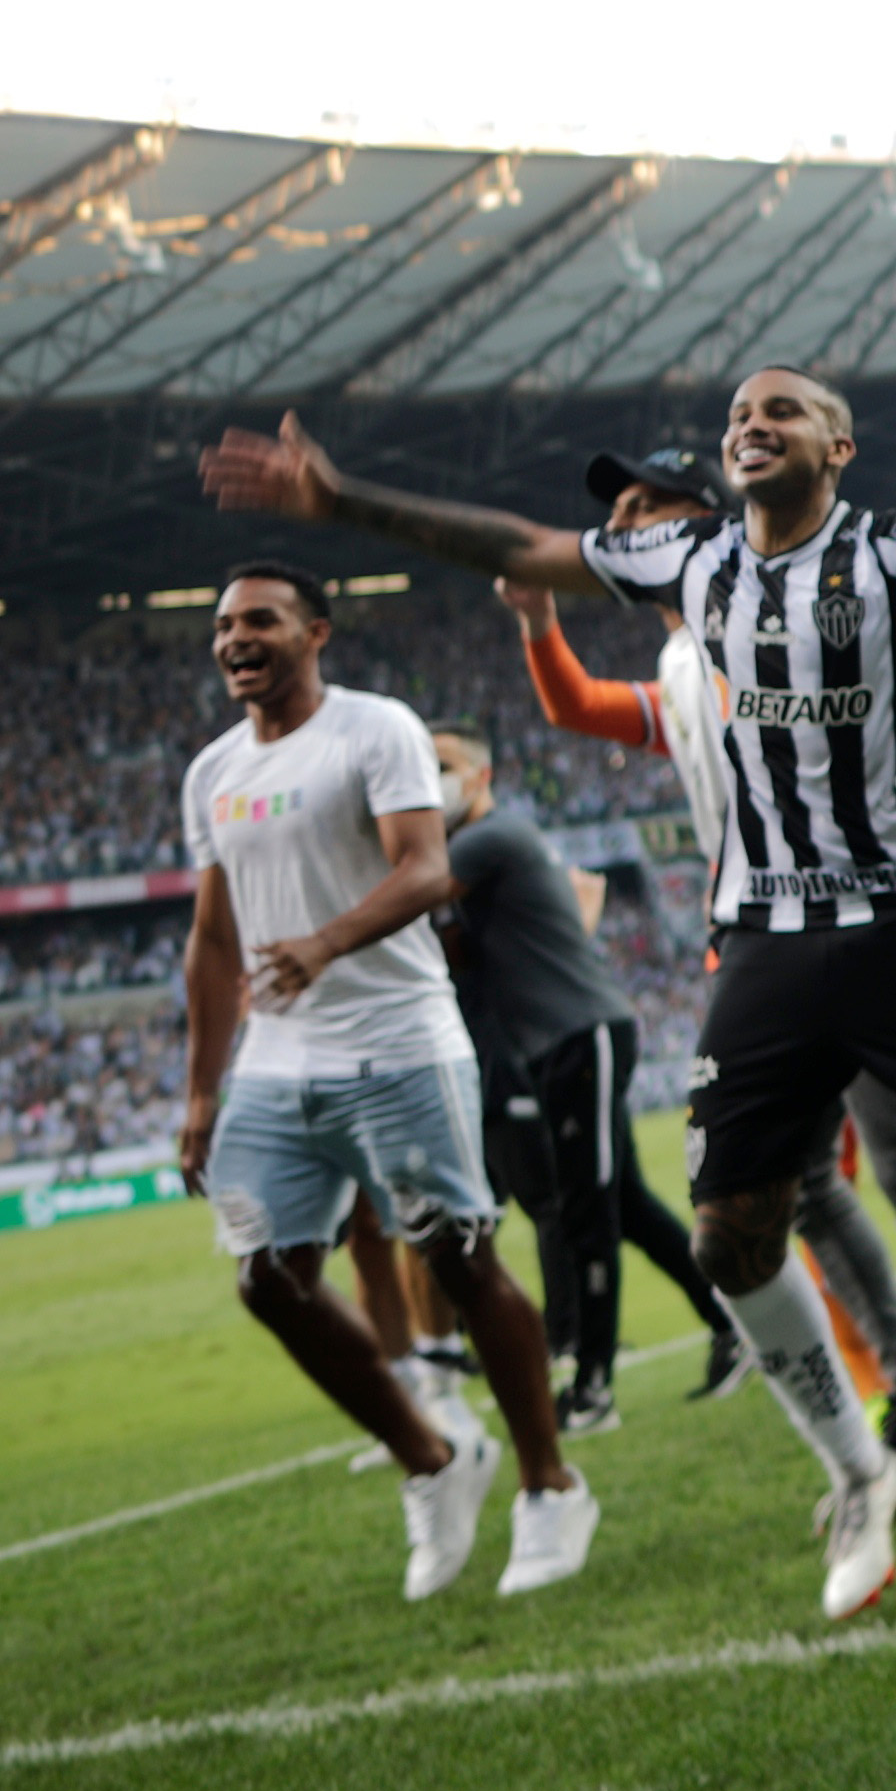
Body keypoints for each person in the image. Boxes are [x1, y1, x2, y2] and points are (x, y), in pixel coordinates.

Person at [199, 369, 896, 1621]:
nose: (752, 424)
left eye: (782, 410)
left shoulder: (895, 554)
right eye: (738, 416)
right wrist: (342, 500)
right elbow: (516, 546)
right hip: (764, 941)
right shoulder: (693, 568)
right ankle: (859, 1469)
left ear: (839, 444)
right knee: (729, 1234)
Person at [499, 478, 896, 1538]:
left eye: (642, 507)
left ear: (698, 521)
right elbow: (574, 710)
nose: (620, 528)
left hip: (867, 924)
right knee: (800, 1187)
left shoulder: (834, 617)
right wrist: (539, 620)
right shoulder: (685, 669)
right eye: (613, 514)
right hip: (763, 949)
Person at [173, 568, 594, 1601]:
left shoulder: (377, 730)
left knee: (458, 1260)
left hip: (399, 1041)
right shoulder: (212, 770)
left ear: (315, 632)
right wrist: (199, 1093)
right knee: (267, 1279)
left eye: (259, 621)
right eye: (224, 626)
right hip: (278, 1061)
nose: (237, 640)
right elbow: (214, 936)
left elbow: (424, 869)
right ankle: (434, 1458)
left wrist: (324, 944)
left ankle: (551, 1485)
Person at [421, 721, 707, 1438]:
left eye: (443, 765)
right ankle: (728, 1323)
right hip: (564, 1041)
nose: (431, 779)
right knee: (628, 1205)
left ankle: (593, 1384)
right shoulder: (494, 847)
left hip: (580, 1036)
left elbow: (415, 898)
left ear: (480, 776)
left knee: (586, 1213)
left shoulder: (483, 842)